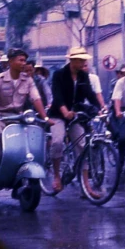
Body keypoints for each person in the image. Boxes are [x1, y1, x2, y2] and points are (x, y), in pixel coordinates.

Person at [47, 47, 101, 192]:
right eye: (81, 60)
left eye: (84, 59)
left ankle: (86, 185)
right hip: (58, 114)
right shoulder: (59, 74)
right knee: (58, 142)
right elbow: (57, 95)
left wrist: (100, 108)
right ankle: (57, 176)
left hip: (75, 115)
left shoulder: (84, 76)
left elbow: (90, 94)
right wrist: (64, 111)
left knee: (83, 146)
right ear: (73, 60)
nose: (84, 62)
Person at [0, 48, 50, 164]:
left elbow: (36, 98)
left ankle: (30, 161)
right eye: (21, 60)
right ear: (11, 61)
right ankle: (0, 162)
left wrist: (45, 118)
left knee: (35, 134)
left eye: (25, 61)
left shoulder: (28, 80)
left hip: (19, 117)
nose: (24, 63)